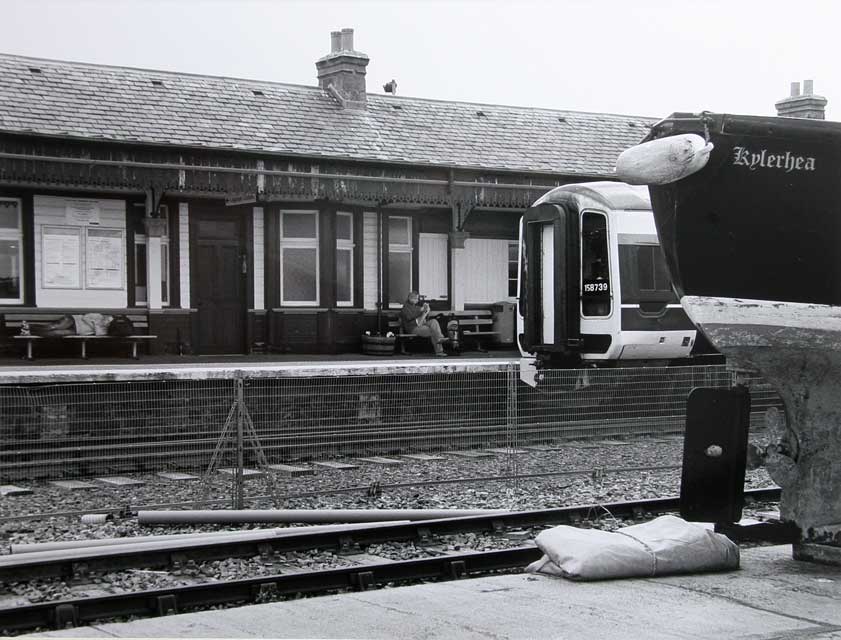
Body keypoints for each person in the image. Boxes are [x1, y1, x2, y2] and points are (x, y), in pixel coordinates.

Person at [400, 291, 448, 356]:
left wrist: (426, 310)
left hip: (421, 324)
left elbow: (424, 317)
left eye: (417, 298)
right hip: (413, 328)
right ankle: (439, 351)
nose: (417, 300)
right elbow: (410, 317)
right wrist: (421, 310)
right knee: (432, 331)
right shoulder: (405, 308)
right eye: (416, 298)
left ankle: (440, 338)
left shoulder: (416, 306)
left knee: (434, 321)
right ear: (410, 298)